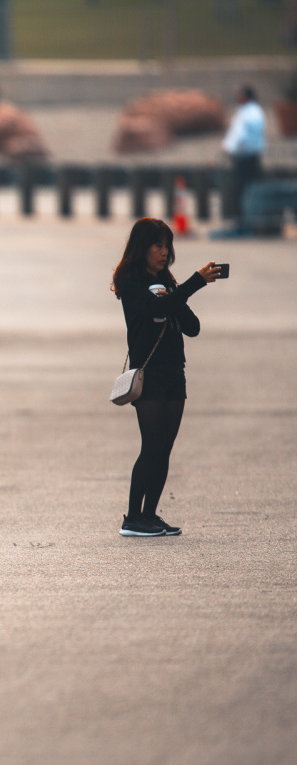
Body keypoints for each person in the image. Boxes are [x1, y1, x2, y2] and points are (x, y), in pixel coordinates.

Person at [111, 218, 221, 537]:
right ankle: (132, 519)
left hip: (174, 372)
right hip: (149, 374)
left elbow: (192, 327)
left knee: (165, 448)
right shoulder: (130, 282)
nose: (164, 252)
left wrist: (177, 294)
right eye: (157, 245)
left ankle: (150, 515)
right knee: (151, 445)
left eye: (167, 246)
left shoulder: (167, 282)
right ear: (142, 248)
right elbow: (154, 309)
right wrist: (194, 283)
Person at [221, 84, 266, 224]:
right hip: (253, 156)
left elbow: (240, 135)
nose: (237, 97)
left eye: (239, 94)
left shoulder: (246, 114)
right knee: (252, 188)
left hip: (244, 157)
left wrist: (228, 149)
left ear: (245, 96)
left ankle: (242, 220)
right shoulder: (257, 112)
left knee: (240, 189)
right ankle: (250, 218)